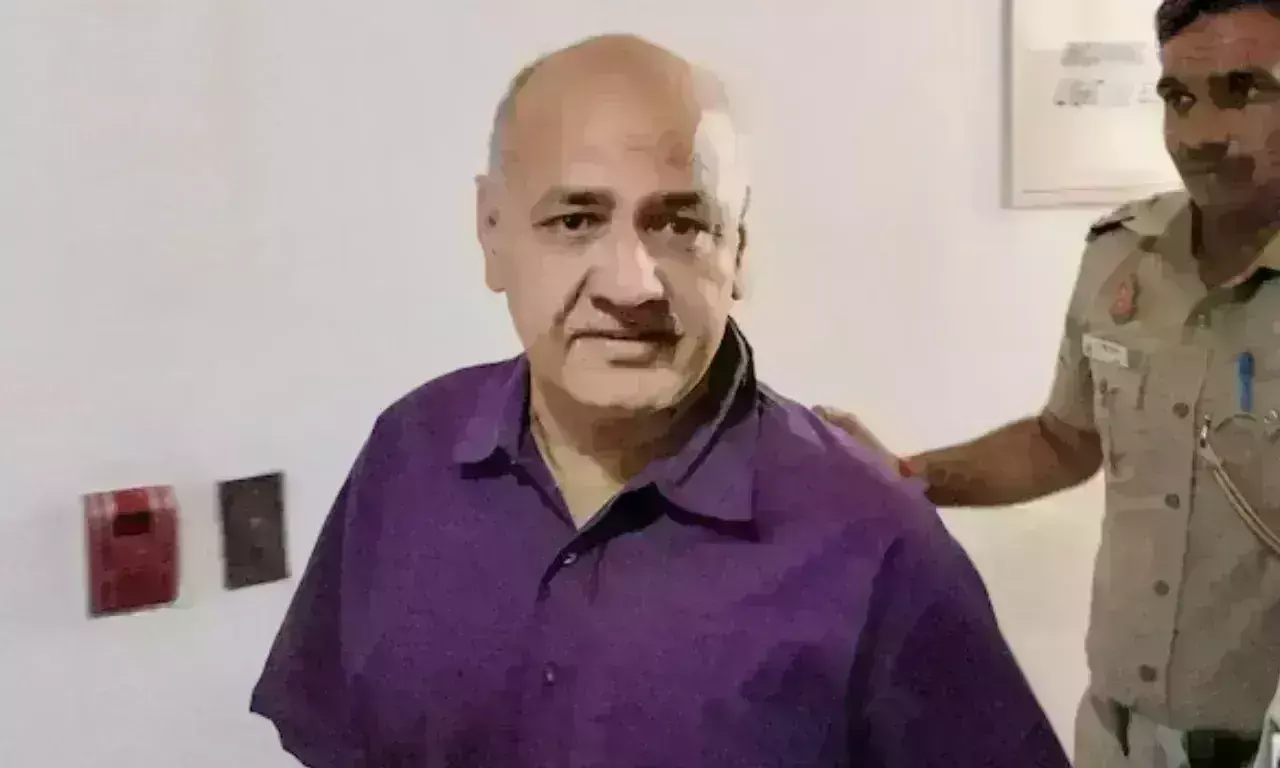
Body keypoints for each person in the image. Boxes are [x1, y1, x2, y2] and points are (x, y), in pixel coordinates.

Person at [248, 32, 1069, 768]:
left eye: (680, 225)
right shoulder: (409, 453)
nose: (631, 284)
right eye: (575, 219)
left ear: (738, 250)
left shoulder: (876, 544)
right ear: (492, 231)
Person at [819, 2, 1280, 766]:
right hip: (1116, 735)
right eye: (1179, 97)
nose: (1200, 132)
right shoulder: (1123, 256)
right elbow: (1061, 442)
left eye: (1244, 89)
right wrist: (900, 477)